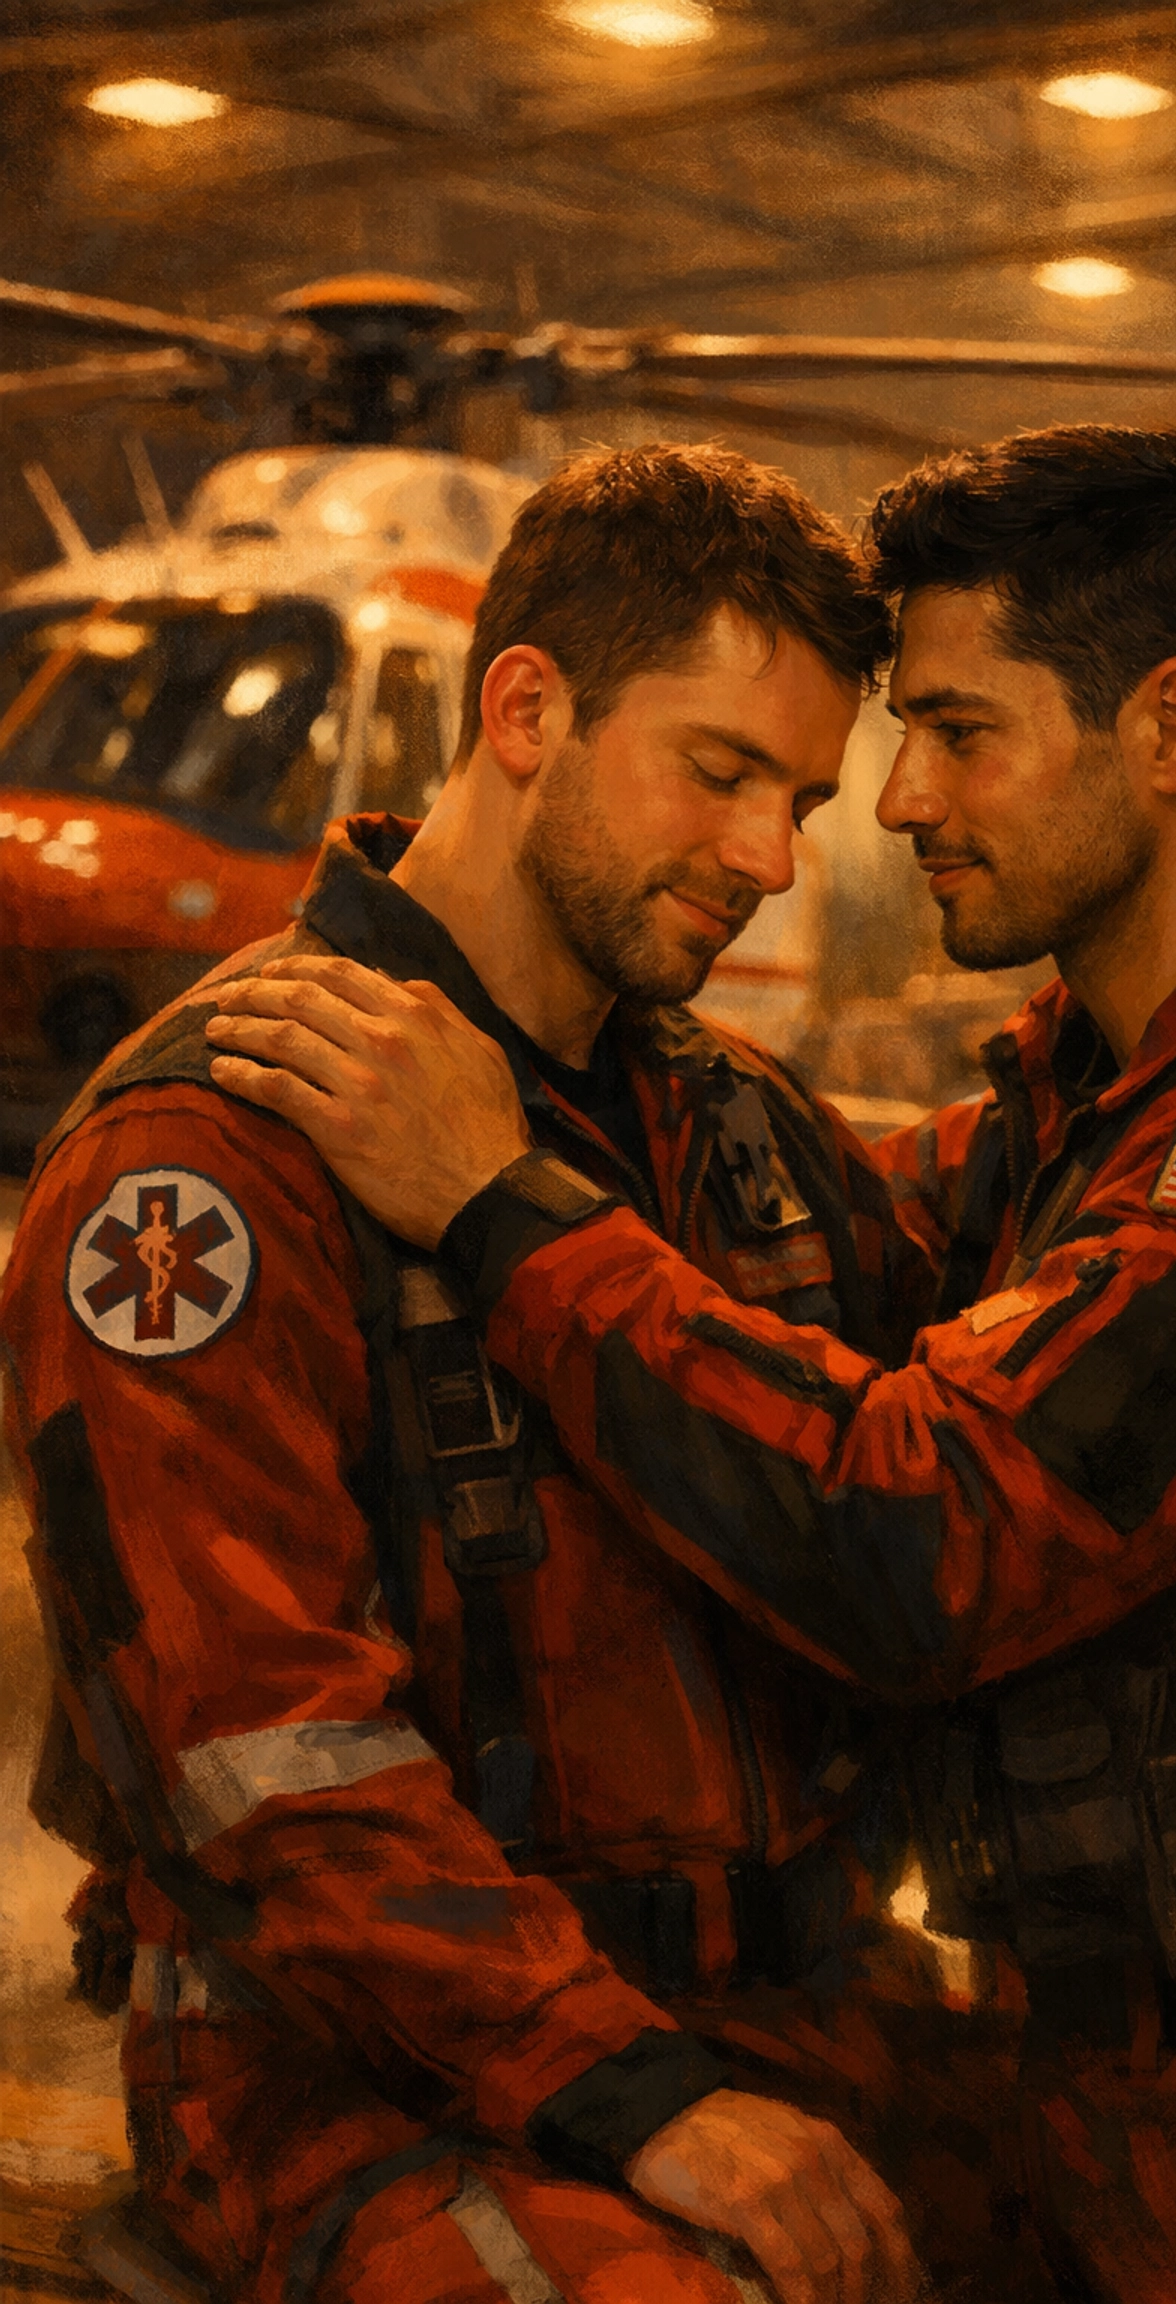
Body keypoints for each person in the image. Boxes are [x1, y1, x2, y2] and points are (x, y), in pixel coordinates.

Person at [211, 423, 1176, 2303]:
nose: (883, 809)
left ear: (1172, 731)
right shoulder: (1093, 1113)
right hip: (1097, 2097)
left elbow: (924, 1529)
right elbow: (809, 1272)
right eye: (745, 767)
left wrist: (502, 1199)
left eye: (958, 732)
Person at [0, 444, 949, 2304]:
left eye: (803, 800)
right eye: (722, 773)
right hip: (360, 2082)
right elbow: (267, 1774)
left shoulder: (736, 1130)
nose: (772, 860)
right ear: (524, 707)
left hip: (784, 2012)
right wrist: (635, 2092)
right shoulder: (210, 1164)